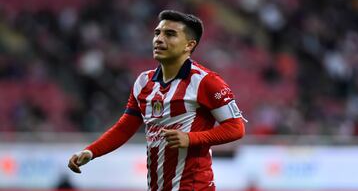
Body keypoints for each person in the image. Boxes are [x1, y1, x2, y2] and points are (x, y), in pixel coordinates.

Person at [68, 10, 247, 191]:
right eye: (157, 33)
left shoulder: (205, 82)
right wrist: (91, 151)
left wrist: (191, 138)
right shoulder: (144, 82)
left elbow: (236, 127)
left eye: (170, 34)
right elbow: (125, 128)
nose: (159, 39)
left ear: (189, 45)